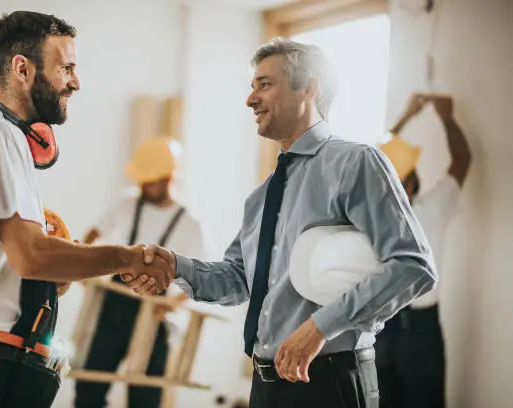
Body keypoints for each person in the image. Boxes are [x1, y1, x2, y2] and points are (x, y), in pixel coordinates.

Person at [124, 37, 437, 408]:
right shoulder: (263, 195)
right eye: (252, 86)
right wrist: (177, 267)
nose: (250, 99)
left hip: (328, 382)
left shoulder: (355, 164)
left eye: (264, 84)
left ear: (309, 88)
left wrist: (322, 326)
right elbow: (240, 279)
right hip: (267, 386)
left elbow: (413, 266)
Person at [0, 11, 167, 408]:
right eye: (65, 67)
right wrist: (127, 257)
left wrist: (54, 274)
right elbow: (30, 255)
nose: (75, 82)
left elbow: (22, 263)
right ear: (21, 68)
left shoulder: (6, 141)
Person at [74, 136, 207, 408]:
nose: (144, 185)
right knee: (88, 392)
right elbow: (90, 236)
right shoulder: (126, 205)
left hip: (152, 319)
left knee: (145, 399)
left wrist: (171, 304)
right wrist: (85, 273)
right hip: (112, 312)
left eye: (151, 179)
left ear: (169, 177)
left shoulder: (191, 225)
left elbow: (200, 279)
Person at [376, 94, 472, 408]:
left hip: (419, 330)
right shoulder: (369, 214)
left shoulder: (432, 208)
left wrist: (446, 117)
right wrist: (405, 116)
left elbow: (462, 160)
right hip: (379, 324)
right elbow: (373, 162)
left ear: (412, 185)